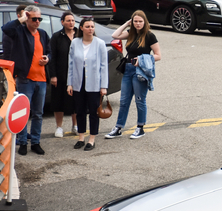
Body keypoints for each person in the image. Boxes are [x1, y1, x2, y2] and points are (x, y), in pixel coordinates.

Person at [1, 5, 50, 156]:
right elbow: (6, 29)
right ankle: (22, 142)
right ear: (27, 18)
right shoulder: (20, 31)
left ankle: (35, 142)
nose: (37, 22)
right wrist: (21, 19)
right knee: (23, 112)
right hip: (25, 79)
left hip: (41, 80)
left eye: (39, 19)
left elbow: (49, 51)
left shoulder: (42, 34)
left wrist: (47, 58)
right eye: (34, 19)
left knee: (38, 113)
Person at [106, 10, 161, 140]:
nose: (137, 24)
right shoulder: (130, 34)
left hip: (140, 70)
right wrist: (126, 24)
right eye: (135, 21)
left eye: (140, 21)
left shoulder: (149, 36)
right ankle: (118, 128)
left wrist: (141, 60)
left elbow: (158, 55)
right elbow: (115, 35)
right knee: (124, 101)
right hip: (128, 70)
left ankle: (140, 128)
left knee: (139, 100)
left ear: (145, 22)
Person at [67, 18, 108, 151]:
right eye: (88, 26)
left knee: (93, 112)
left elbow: (103, 66)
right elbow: (71, 64)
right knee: (80, 111)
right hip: (78, 82)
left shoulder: (100, 43)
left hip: (94, 83)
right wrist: (70, 83)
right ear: (82, 28)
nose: (90, 29)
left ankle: (92, 139)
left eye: (92, 26)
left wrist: (103, 86)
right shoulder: (75, 42)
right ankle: (81, 137)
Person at [49, 12, 78, 138]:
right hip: (61, 74)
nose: (71, 23)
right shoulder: (57, 37)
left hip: (77, 75)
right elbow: (52, 57)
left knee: (76, 101)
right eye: (68, 20)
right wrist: (53, 75)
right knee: (58, 101)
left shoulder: (79, 35)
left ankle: (75, 125)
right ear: (62, 22)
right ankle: (59, 127)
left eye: (72, 20)